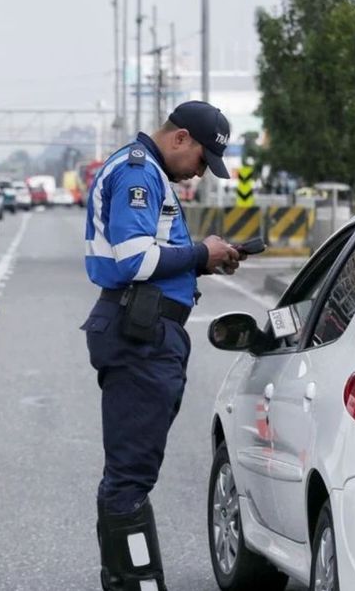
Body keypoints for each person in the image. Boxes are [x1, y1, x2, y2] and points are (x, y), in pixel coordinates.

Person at [82, 100, 246, 590]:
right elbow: (134, 258)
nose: (199, 172)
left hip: (147, 331)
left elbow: (153, 255)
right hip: (141, 335)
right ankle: (137, 582)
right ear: (180, 139)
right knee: (130, 480)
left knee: (126, 475)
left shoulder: (151, 173)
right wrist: (201, 251)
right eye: (200, 159)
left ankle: (123, 578)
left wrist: (205, 260)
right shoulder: (140, 175)